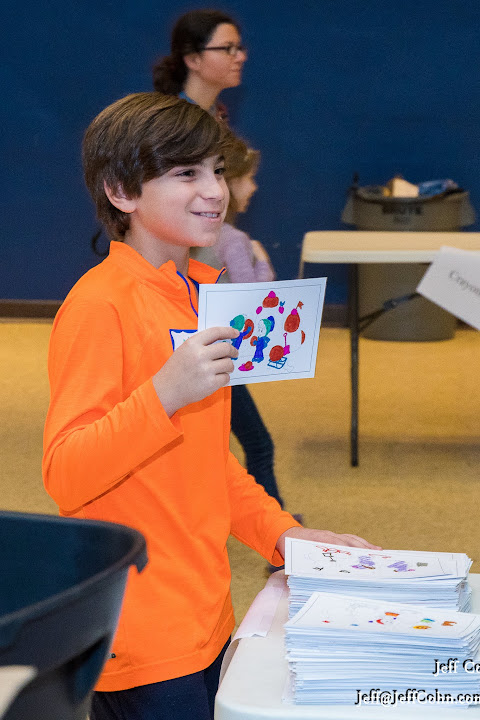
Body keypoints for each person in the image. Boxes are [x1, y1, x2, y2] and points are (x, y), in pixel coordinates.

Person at [42, 92, 380, 720]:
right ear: (121, 192)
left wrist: (284, 536)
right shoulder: (99, 306)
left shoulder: (202, 295)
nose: (214, 190)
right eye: (185, 172)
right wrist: (164, 393)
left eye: (218, 170)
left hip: (207, 612)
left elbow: (208, 460)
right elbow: (65, 474)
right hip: (143, 631)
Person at [192, 136, 288, 516]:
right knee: (259, 444)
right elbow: (255, 301)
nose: (254, 187)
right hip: (222, 359)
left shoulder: (189, 236)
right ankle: (278, 531)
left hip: (195, 350)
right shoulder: (233, 240)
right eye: (248, 178)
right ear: (229, 184)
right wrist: (262, 260)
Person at [152, 9, 247, 121]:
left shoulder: (218, 117)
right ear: (193, 59)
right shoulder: (168, 122)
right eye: (228, 48)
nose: (241, 57)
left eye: (238, 48)